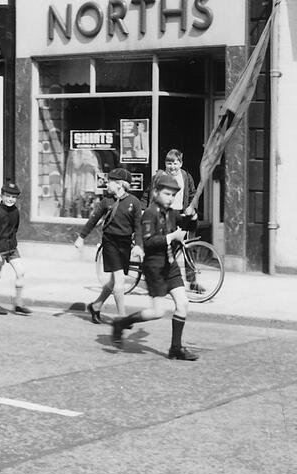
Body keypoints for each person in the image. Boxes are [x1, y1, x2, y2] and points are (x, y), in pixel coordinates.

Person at [110, 173, 198, 361]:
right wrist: (172, 237)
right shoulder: (149, 213)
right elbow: (148, 242)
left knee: (183, 303)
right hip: (154, 267)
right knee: (158, 312)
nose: (171, 198)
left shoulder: (171, 213)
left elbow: (188, 224)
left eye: (173, 195)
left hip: (170, 265)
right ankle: (122, 322)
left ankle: (176, 348)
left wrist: (193, 217)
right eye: (167, 194)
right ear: (156, 192)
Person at [73, 167, 144, 323]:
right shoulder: (107, 201)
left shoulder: (134, 203)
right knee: (119, 281)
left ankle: (96, 306)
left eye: (110, 181)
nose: (107, 184)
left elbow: (138, 227)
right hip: (110, 243)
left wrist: (138, 245)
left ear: (119, 184)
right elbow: (93, 220)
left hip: (125, 244)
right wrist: (81, 237)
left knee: (113, 282)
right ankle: (122, 318)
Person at [149, 148, 202, 292]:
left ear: (181, 163)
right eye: (169, 163)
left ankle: (192, 281)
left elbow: (192, 193)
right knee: (165, 245)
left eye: (175, 163)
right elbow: (149, 194)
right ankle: (161, 277)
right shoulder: (159, 177)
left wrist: (192, 208)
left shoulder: (186, 176)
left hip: (182, 215)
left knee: (188, 247)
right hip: (165, 214)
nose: (172, 166)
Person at [0, 180, 31, 315]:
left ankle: (18, 303)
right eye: (7, 196)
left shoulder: (15, 212)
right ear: (1, 196)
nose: (10, 199)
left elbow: (15, 229)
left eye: (13, 197)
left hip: (12, 248)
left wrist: (12, 243)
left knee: (21, 272)